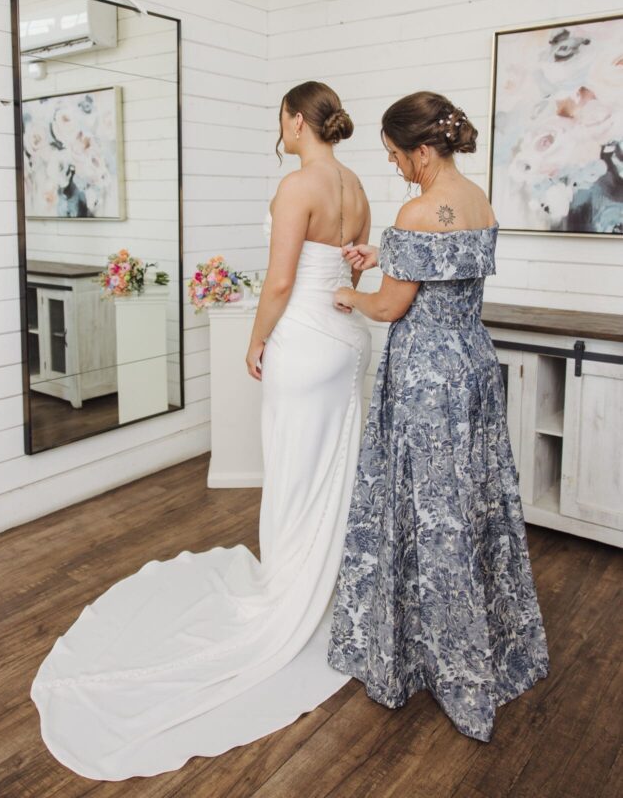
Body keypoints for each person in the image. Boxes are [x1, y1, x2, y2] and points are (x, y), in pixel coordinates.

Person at [30, 81, 373, 780]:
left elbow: (278, 282)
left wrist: (255, 338)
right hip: (346, 340)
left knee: (292, 470)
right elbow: (351, 260)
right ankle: (326, 587)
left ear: (293, 119)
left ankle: (289, 595)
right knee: (332, 469)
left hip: (302, 340)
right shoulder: (356, 183)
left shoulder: (295, 184)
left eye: (278, 116)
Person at [327, 90, 549, 742]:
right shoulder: (477, 198)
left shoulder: (417, 210)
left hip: (426, 380)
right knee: (467, 505)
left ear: (421, 148)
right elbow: (436, 272)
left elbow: (392, 308)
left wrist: (349, 290)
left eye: (396, 156)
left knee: (427, 510)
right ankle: (478, 642)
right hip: (474, 366)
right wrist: (385, 258)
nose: (395, 166)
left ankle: (432, 658)